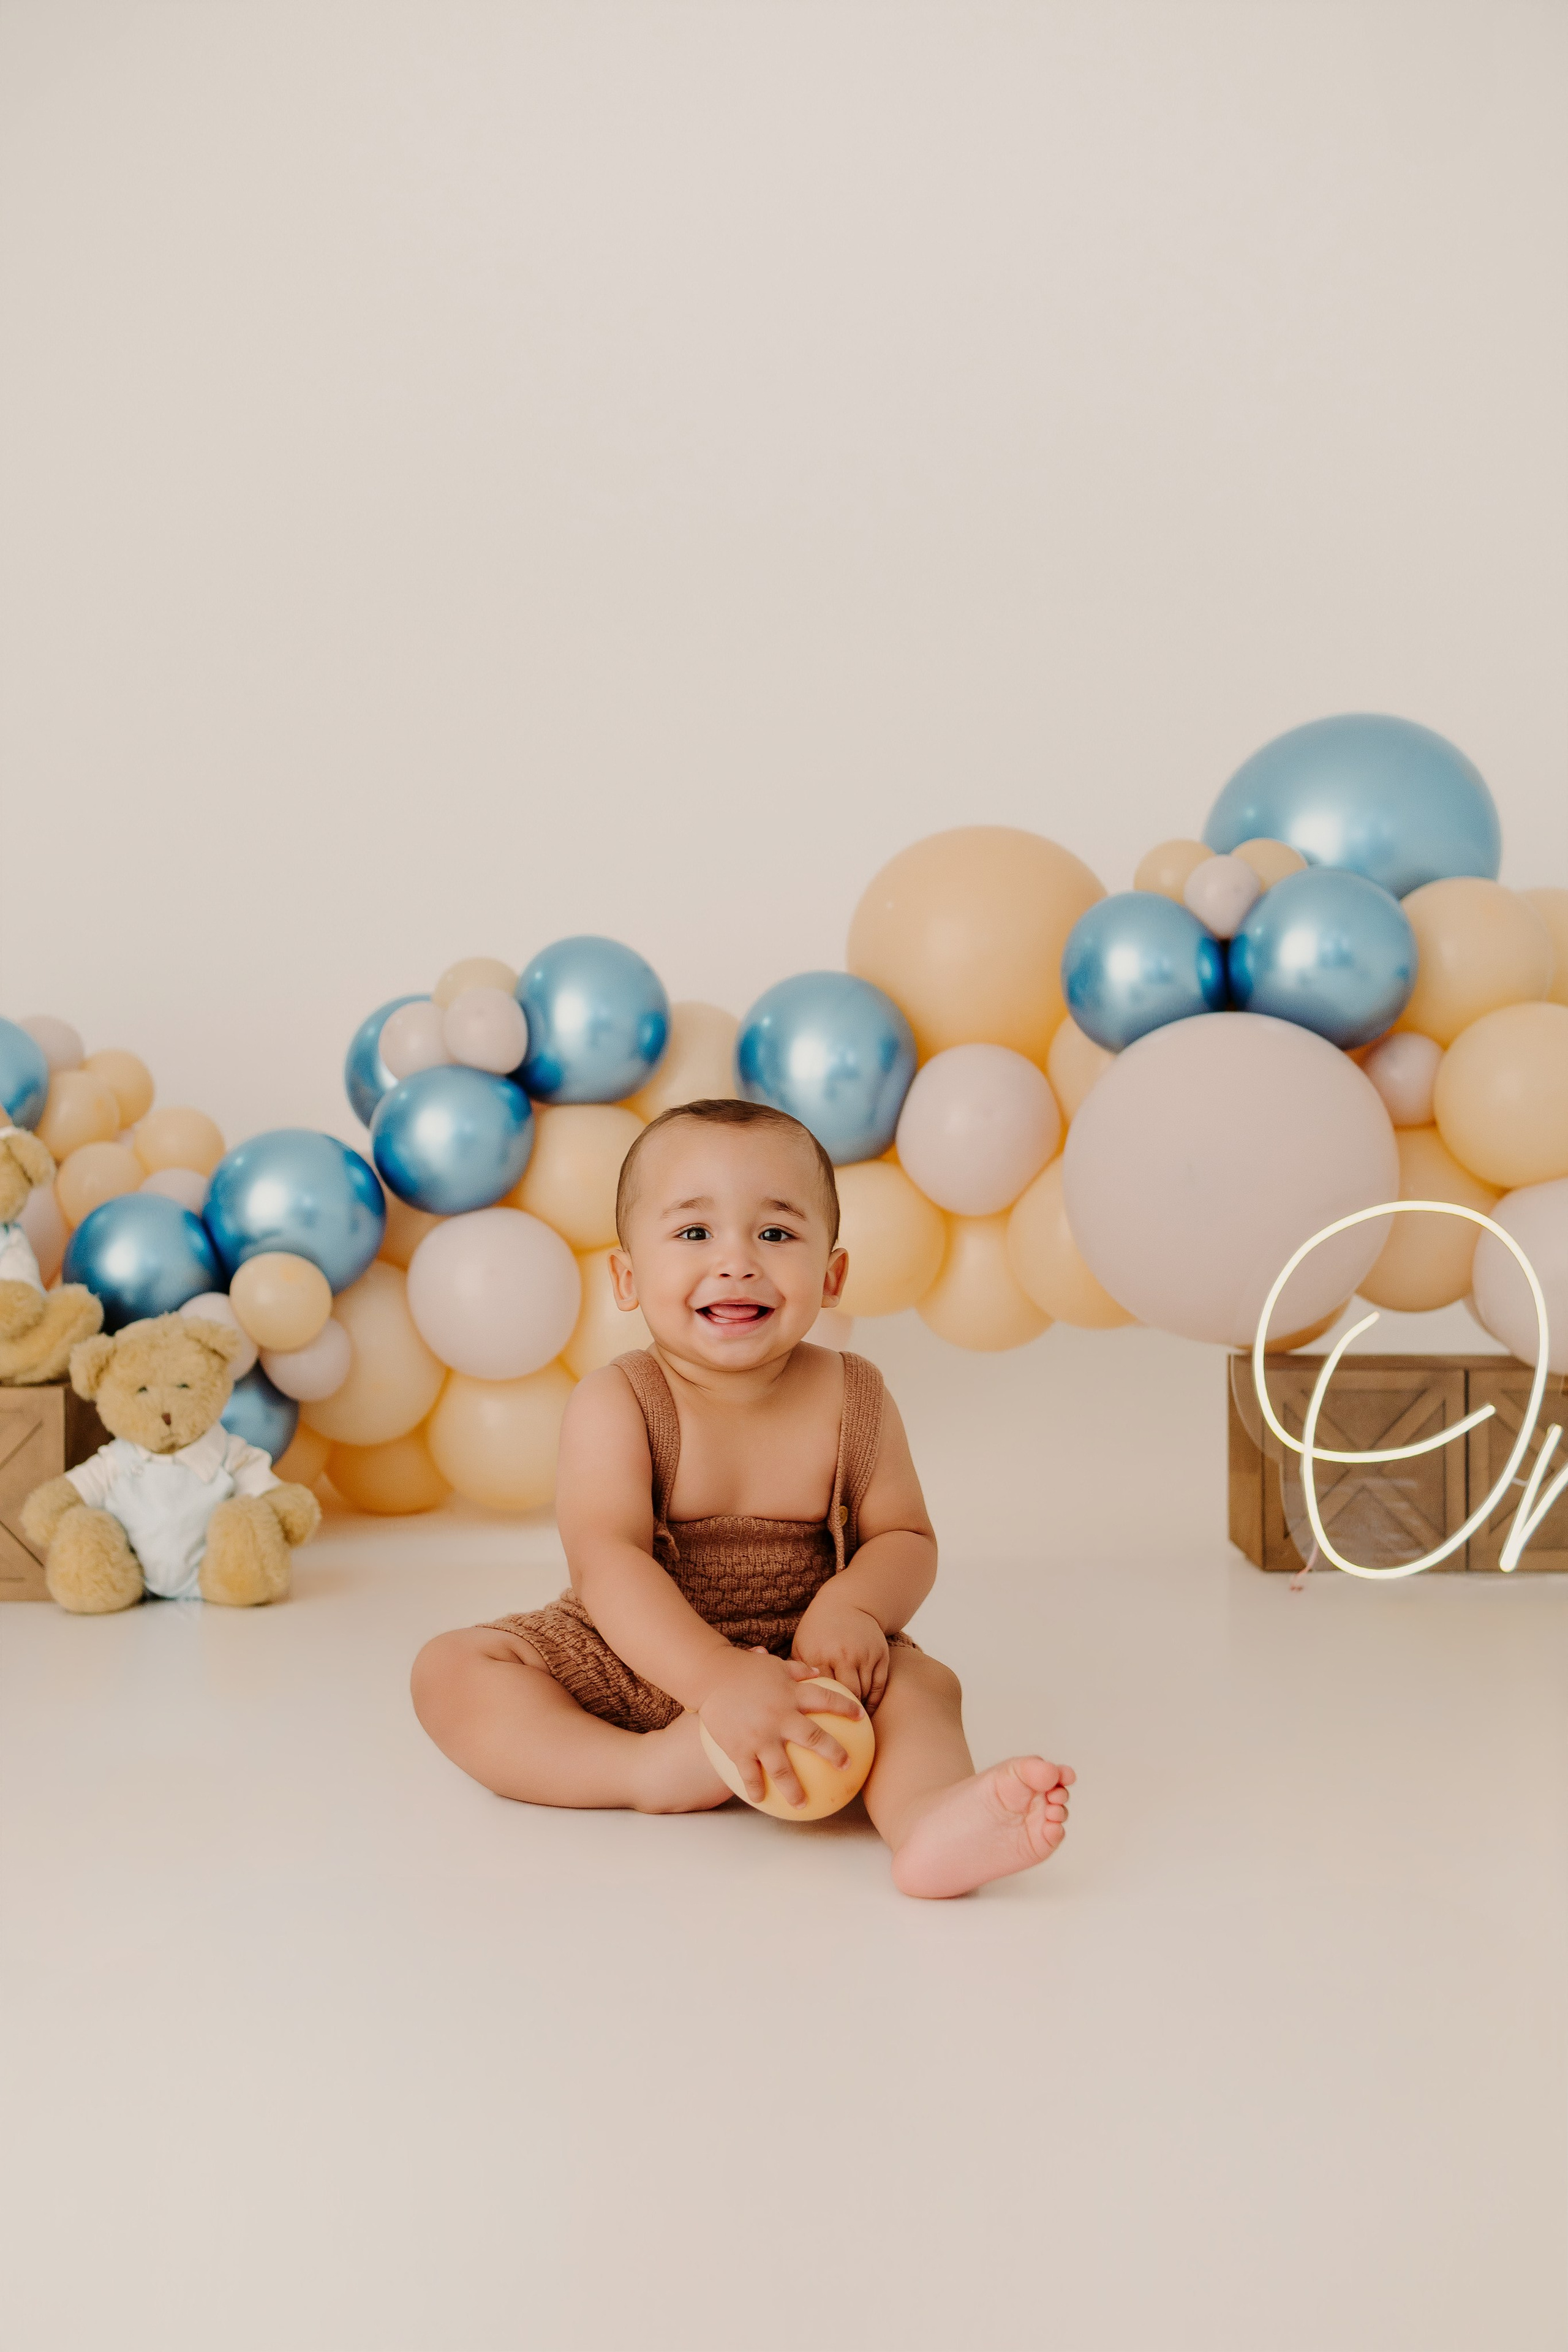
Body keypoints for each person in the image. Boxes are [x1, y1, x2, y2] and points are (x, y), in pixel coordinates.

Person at [411, 1098, 1073, 1898]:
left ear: (831, 1276)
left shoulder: (855, 1397)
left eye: (777, 1233)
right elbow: (607, 1559)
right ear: (628, 1278)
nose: (738, 1262)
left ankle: (927, 1817)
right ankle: (648, 1769)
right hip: (636, 1656)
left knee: (924, 1688)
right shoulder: (618, 1400)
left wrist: (855, 1610)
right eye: (695, 1233)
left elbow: (904, 1534)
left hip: (811, 1663)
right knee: (453, 1670)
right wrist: (715, 1679)